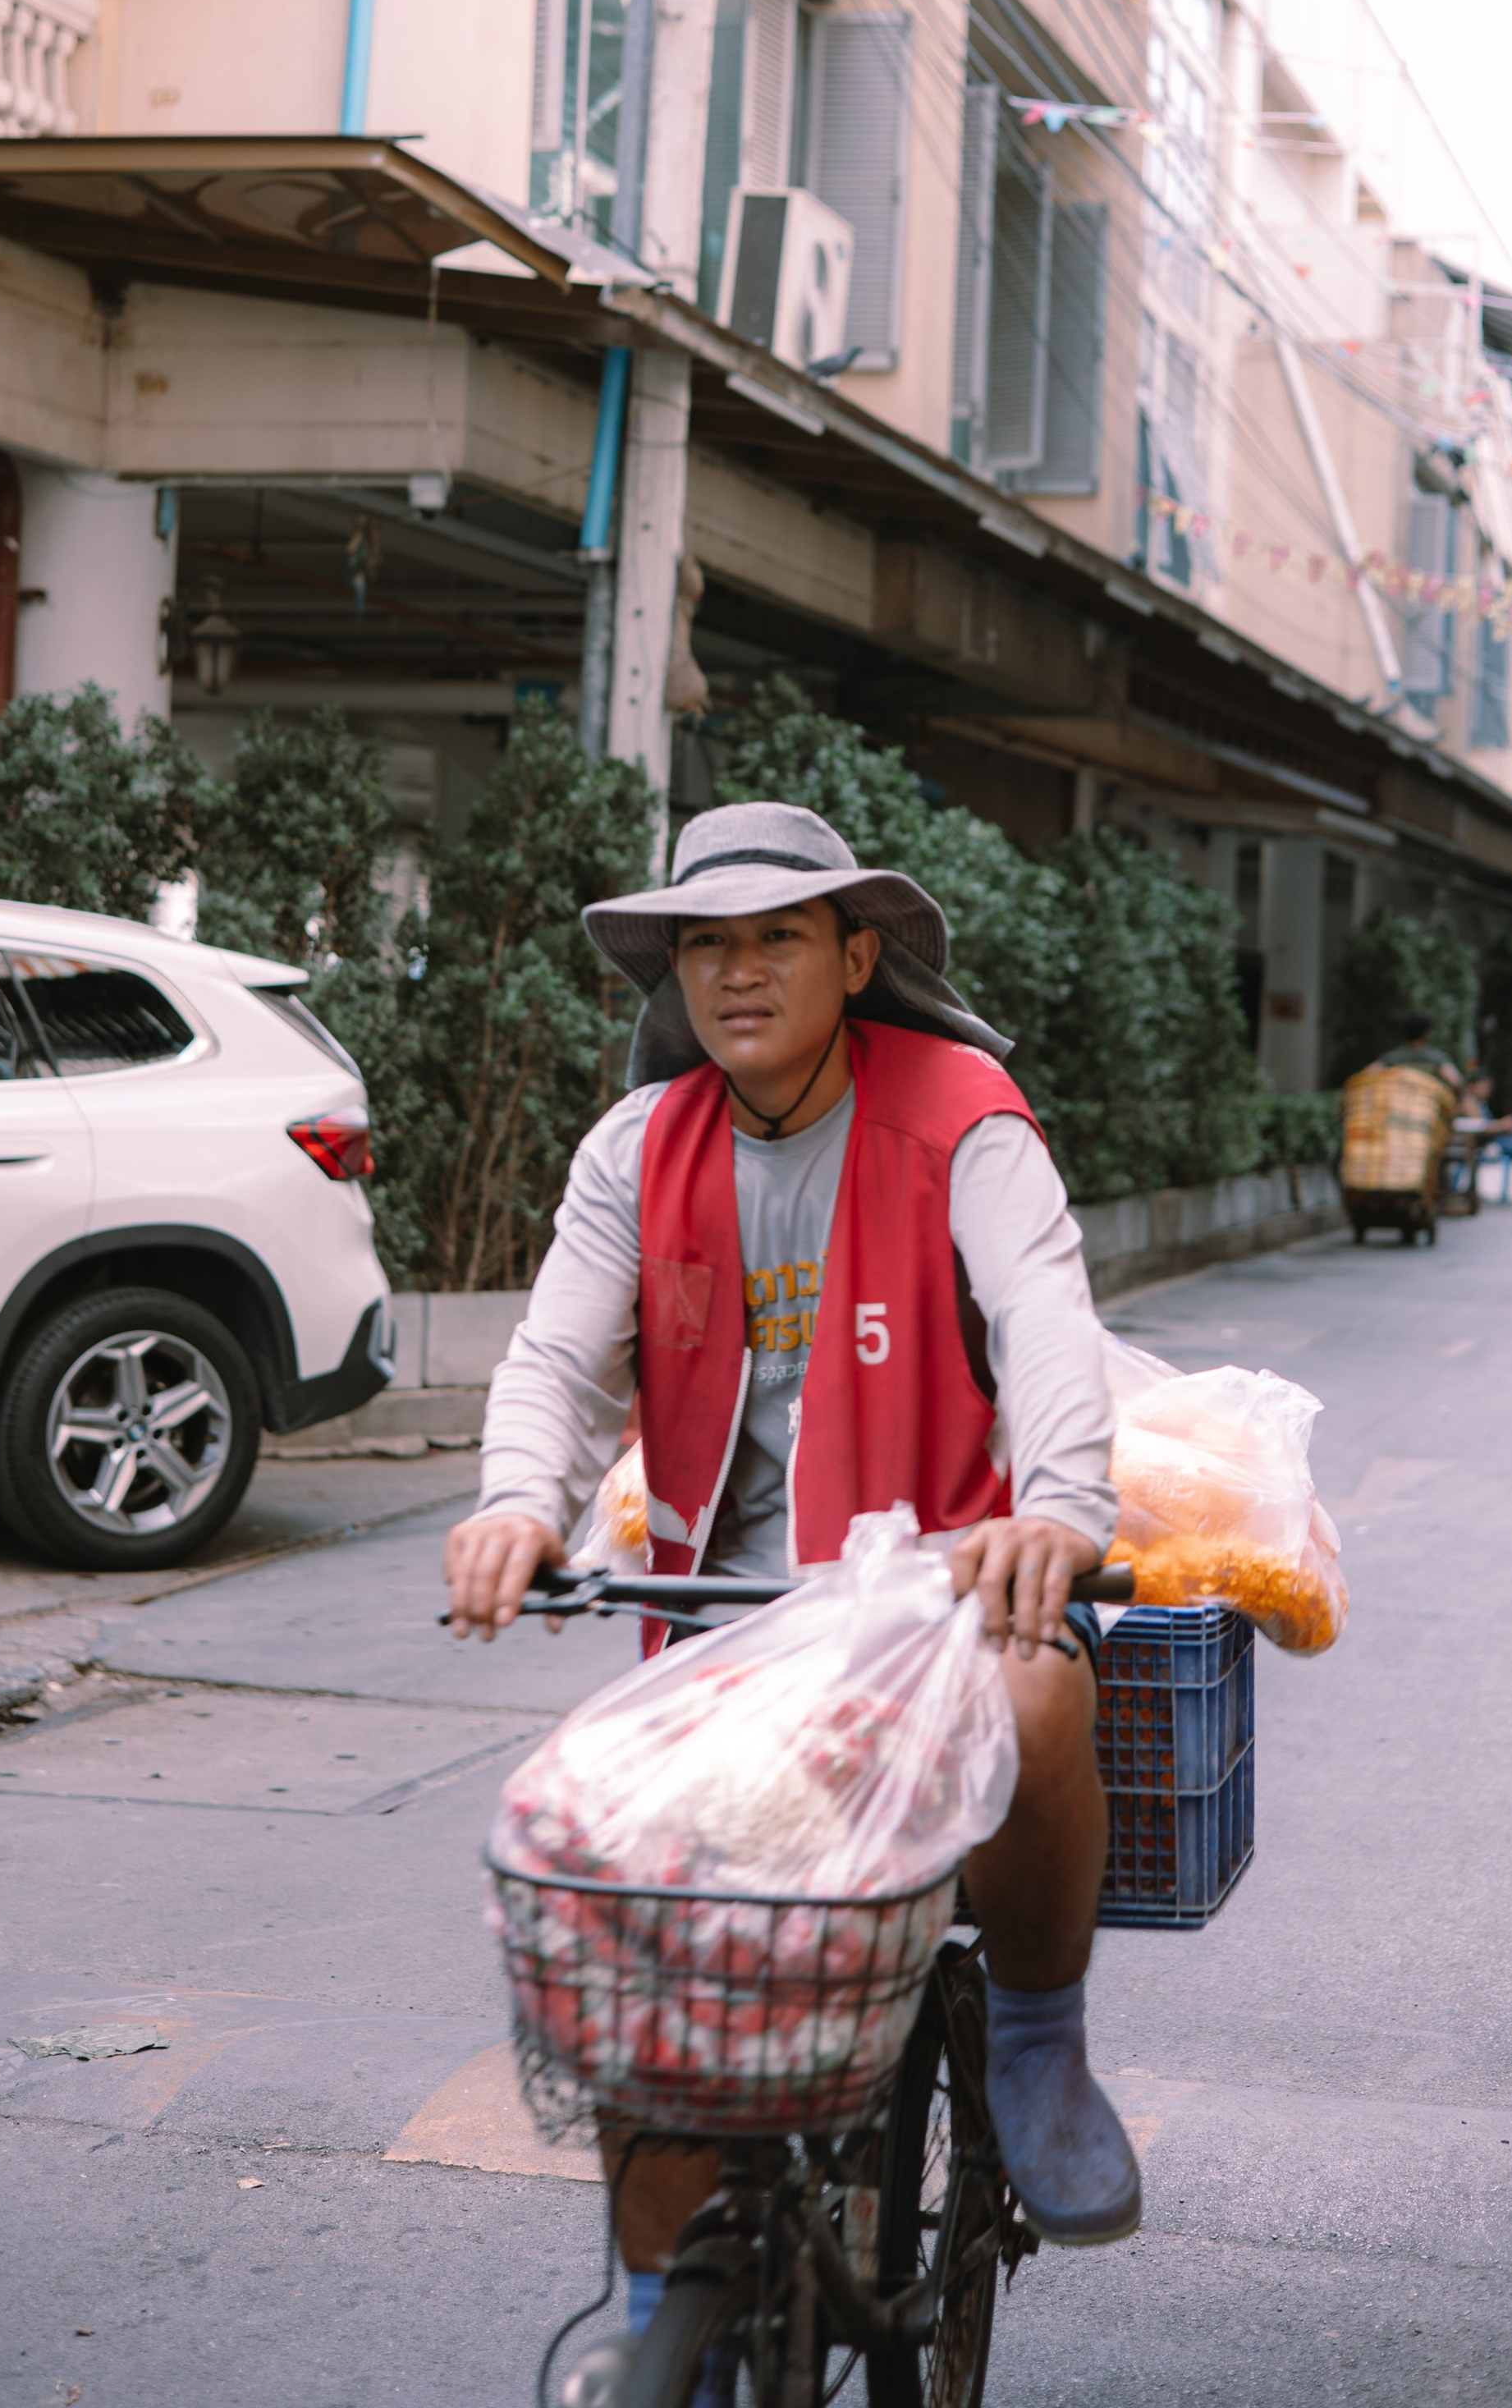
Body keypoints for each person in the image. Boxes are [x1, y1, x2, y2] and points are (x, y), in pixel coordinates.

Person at [443, 800, 1140, 2343]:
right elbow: (555, 1361)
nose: (737, 973)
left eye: (777, 938)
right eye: (707, 943)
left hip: (942, 1603)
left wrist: (1059, 1513)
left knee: (1041, 1690)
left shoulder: (964, 1112)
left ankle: (1037, 2032)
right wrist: (514, 1506)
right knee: (624, 1915)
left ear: (856, 953)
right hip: (721, 1644)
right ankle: (654, 2319)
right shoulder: (639, 1143)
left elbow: (1045, 1326)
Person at [1455, 1066, 1512, 1205]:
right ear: (1474, 1085)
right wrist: (1503, 1125)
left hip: (1497, 1139)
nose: (1488, 1090)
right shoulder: (1468, 1101)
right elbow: (1480, 1128)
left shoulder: (1480, 1103)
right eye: (1485, 1086)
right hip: (1488, 1144)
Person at [1380, 1007, 1464, 1095]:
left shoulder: (1392, 1057)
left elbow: (1368, 1074)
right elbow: (1456, 1082)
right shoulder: (1436, 1057)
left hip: (1397, 1104)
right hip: (1428, 1105)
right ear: (1426, 1033)